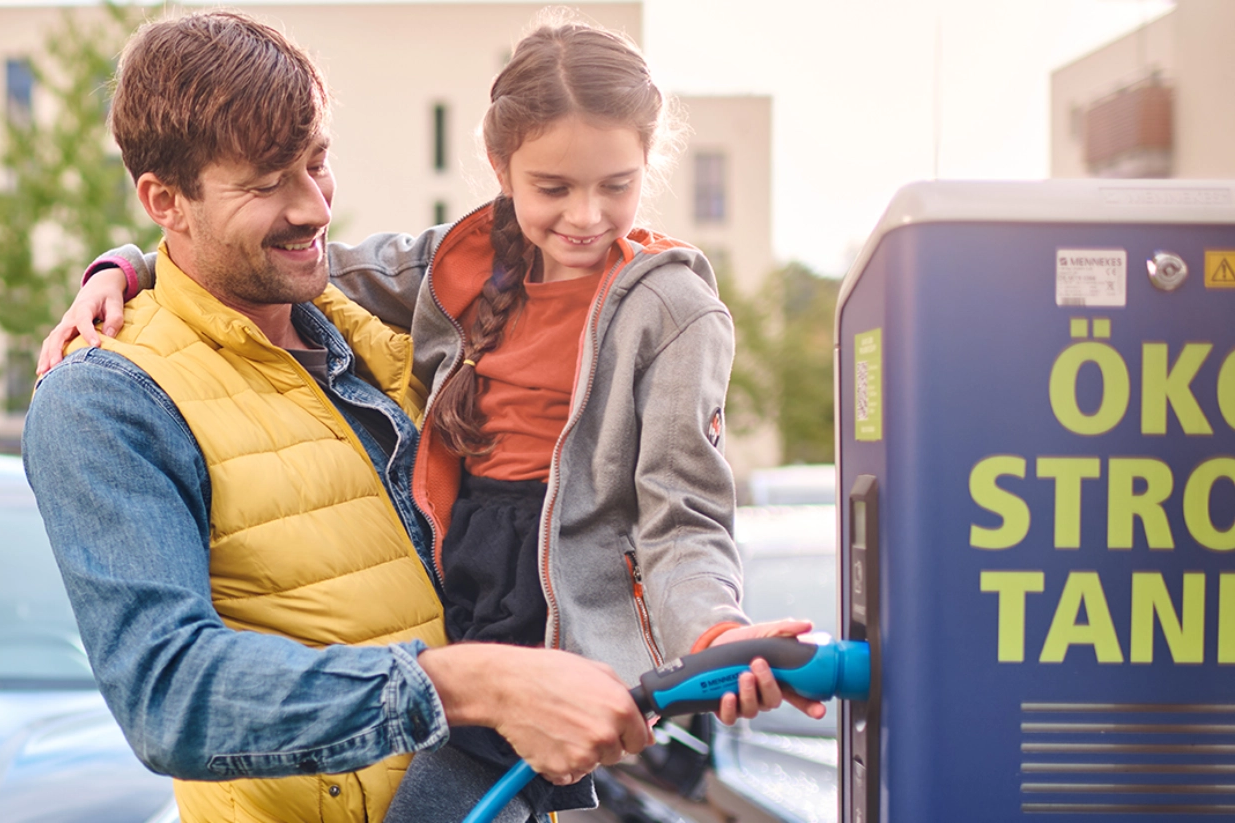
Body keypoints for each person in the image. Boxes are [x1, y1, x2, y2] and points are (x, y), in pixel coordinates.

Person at [40, 18, 824, 822]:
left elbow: (675, 514)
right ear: (164, 200)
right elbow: (171, 698)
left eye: (318, 162)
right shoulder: (109, 396)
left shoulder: (363, 325)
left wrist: (711, 629)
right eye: (269, 182)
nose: (313, 208)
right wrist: (468, 684)